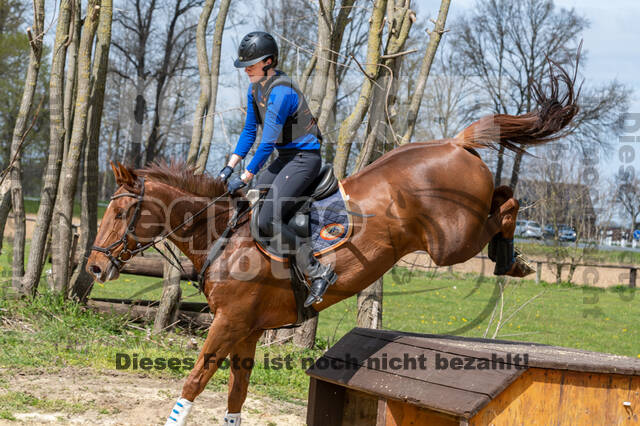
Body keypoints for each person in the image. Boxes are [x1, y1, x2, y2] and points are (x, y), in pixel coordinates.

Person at [218, 31, 337, 307]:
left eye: (252, 63)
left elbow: (267, 141)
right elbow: (249, 131)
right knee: (246, 206)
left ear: (269, 61)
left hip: (304, 159)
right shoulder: (255, 89)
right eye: (245, 64)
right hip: (285, 159)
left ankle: (318, 271)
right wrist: (229, 167)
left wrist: (246, 175)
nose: (246, 69)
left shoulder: (281, 92)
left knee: (267, 219)